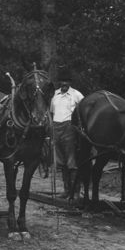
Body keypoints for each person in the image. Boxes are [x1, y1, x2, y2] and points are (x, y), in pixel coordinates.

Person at [50, 67, 84, 196]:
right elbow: (51, 112)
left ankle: (75, 192)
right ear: (59, 82)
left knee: (71, 161)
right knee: (61, 161)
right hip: (56, 128)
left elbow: (84, 112)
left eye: (66, 81)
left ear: (70, 82)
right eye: (62, 81)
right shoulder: (54, 95)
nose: (64, 83)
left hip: (70, 128)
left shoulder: (77, 95)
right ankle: (66, 190)